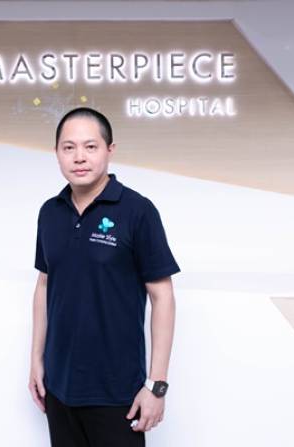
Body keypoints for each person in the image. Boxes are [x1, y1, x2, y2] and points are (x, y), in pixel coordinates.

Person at [28, 106, 180, 446]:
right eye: (69, 147)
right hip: (59, 389)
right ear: (56, 152)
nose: (79, 157)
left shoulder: (138, 211)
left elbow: (163, 297)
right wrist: (36, 361)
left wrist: (156, 385)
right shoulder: (50, 213)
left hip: (118, 393)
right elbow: (44, 285)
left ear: (110, 150)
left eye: (90, 146)